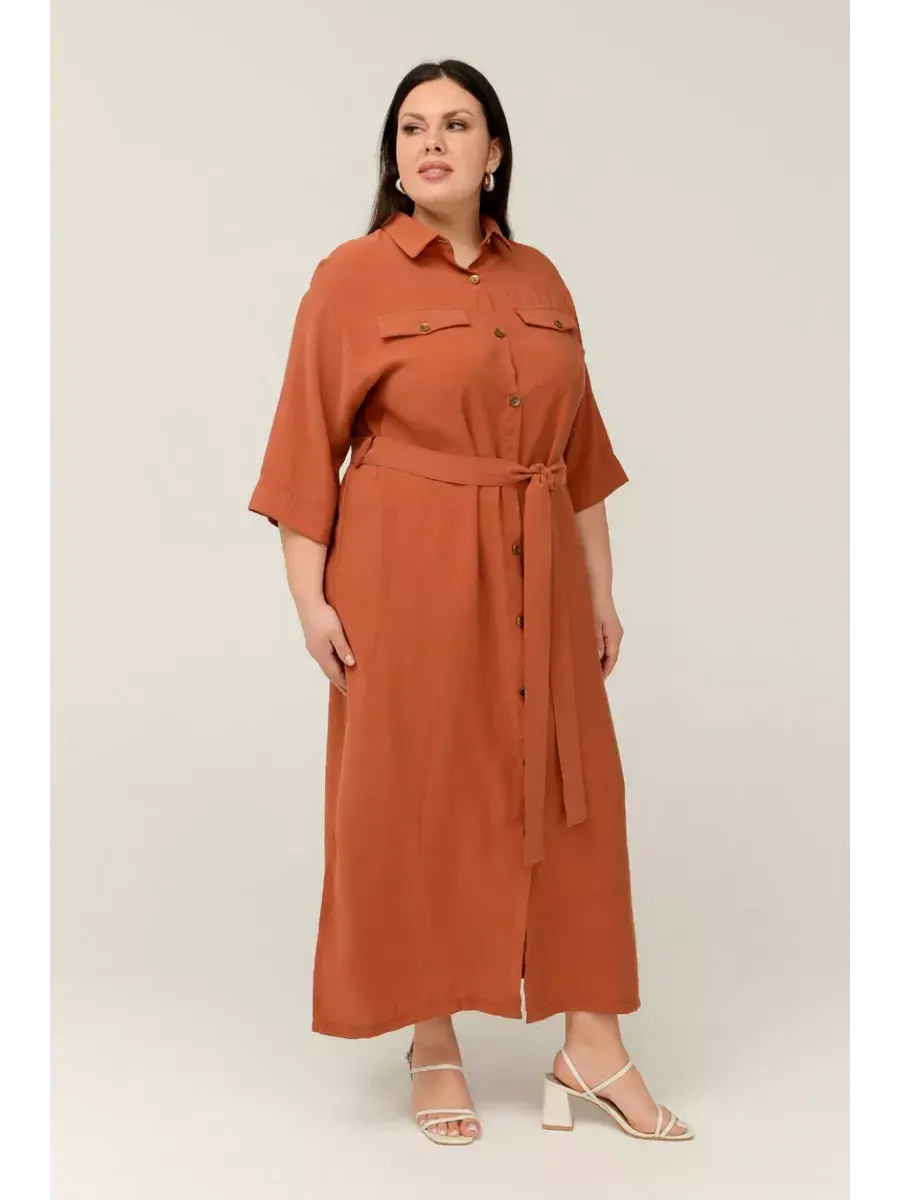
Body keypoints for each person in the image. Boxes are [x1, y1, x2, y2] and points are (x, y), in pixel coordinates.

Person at [248, 58, 694, 1146]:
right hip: (405, 569)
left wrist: (602, 587)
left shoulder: (541, 279)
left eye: (456, 124)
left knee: (577, 795)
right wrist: (309, 602)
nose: (432, 143)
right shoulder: (351, 278)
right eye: (412, 128)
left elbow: (578, 454)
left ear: (494, 153)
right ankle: (432, 1035)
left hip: (544, 567)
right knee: (420, 792)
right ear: (394, 157)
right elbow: (304, 446)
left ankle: (593, 1046)